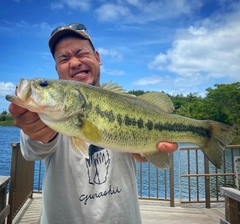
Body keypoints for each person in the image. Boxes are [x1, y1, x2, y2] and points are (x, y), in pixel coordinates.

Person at [9, 23, 178, 224]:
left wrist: (146, 151)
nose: (74, 62)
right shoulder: (44, 116)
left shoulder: (131, 103)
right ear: (57, 69)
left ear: (97, 58)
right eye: (64, 58)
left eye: (81, 53)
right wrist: (37, 133)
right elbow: (32, 149)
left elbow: (142, 155)